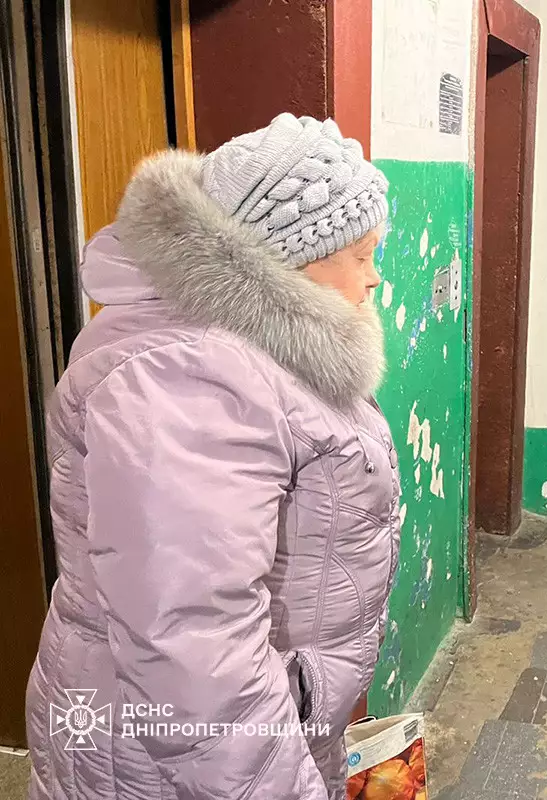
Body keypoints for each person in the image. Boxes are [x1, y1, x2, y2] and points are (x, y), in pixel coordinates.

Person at [25, 113, 400, 799]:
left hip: (246, 739)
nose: (374, 278)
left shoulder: (256, 352)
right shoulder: (191, 376)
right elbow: (193, 650)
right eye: (360, 254)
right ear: (291, 258)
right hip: (170, 764)